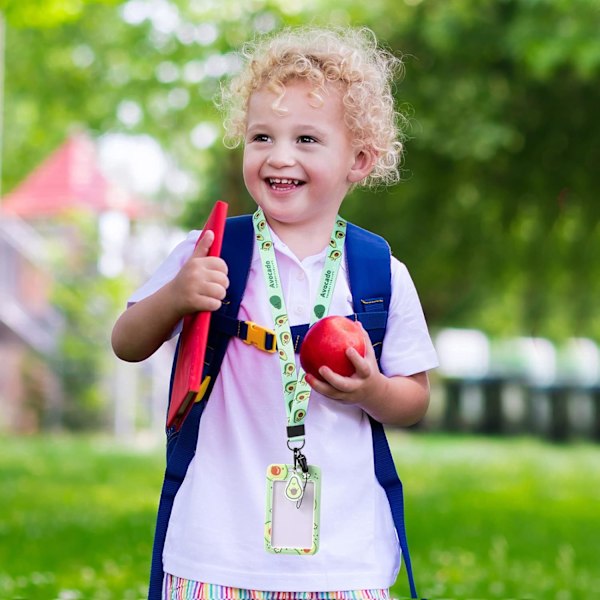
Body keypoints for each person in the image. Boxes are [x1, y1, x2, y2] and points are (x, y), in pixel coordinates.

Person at [112, 25, 438, 600]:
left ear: (359, 159)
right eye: (262, 136)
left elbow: (413, 397)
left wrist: (369, 391)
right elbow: (126, 340)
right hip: (215, 556)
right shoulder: (210, 252)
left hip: (344, 562)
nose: (278, 156)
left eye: (307, 140)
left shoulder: (380, 272)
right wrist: (177, 295)